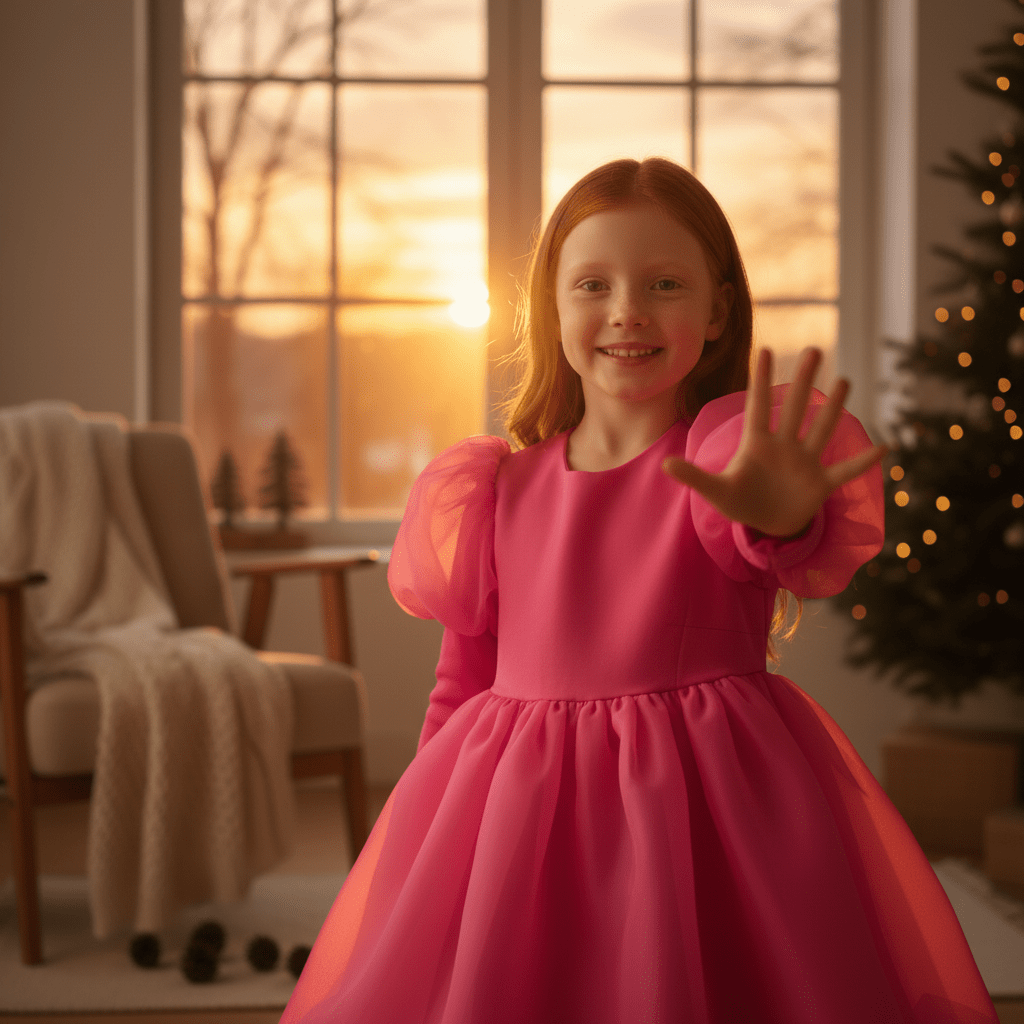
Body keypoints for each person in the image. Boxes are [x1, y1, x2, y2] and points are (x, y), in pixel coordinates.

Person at [280, 158, 998, 1023]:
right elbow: (461, 682)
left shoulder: (728, 462)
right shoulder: (492, 492)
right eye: (594, 284)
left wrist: (781, 516)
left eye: (665, 283)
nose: (628, 311)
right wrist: (416, 846)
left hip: (704, 822)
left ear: (716, 308)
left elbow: (770, 536)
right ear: (551, 303)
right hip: (519, 825)